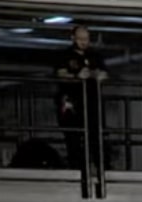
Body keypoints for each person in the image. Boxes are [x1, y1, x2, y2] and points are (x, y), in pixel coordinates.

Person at [53, 24, 107, 172]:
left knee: (96, 137)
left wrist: (95, 75)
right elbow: (61, 74)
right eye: (80, 39)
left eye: (86, 39)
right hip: (72, 103)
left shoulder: (95, 55)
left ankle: (101, 169)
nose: (84, 42)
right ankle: (76, 170)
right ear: (72, 38)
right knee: (73, 138)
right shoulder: (65, 55)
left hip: (92, 102)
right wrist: (77, 77)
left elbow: (104, 74)